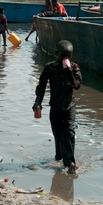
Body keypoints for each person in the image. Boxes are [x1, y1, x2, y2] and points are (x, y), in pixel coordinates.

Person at [32, 40, 83, 170]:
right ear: (56, 54)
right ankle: (60, 157)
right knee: (57, 134)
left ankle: (70, 162)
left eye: (68, 56)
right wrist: (38, 102)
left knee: (69, 132)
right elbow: (41, 86)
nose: (65, 59)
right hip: (55, 106)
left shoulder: (74, 67)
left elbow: (77, 85)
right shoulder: (50, 67)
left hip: (69, 105)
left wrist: (69, 73)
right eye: (63, 55)